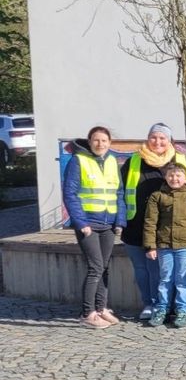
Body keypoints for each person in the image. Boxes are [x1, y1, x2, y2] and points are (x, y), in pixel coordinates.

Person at [121, 123, 186, 320]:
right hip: (136, 225)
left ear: (170, 141)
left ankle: (164, 306)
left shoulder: (180, 160)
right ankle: (149, 303)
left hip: (167, 228)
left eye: (162, 138)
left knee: (161, 271)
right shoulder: (134, 161)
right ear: (147, 139)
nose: (157, 142)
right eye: (153, 137)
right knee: (142, 269)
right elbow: (120, 191)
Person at [62, 127, 126, 329]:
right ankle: (87, 312)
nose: (100, 144)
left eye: (104, 140)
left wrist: (120, 221)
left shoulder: (111, 161)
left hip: (108, 223)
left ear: (109, 142)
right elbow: (70, 194)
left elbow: (119, 193)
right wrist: (81, 223)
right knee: (95, 267)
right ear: (89, 141)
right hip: (88, 224)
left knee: (104, 267)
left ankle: (101, 308)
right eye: (96, 140)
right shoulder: (78, 160)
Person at [142, 162, 186, 328]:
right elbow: (150, 222)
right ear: (166, 177)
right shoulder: (157, 196)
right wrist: (150, 246)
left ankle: (182, 311)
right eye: (171, 175)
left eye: (178, 175)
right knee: (165, 279)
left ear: (185, 178)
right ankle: (162, 310)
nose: (174, 178)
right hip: (164, 246)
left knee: (182, 281)